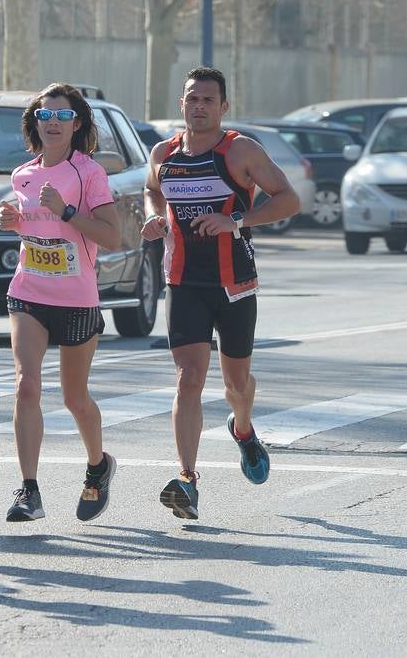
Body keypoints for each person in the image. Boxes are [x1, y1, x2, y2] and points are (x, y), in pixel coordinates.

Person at [143, 66, 301, 520]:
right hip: (183, 281)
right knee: (188, 378)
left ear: (223, 107)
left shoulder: (240, 151)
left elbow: (288, 199)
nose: (199, 106)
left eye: (208, 100)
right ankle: (187, 480)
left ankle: (244, 430)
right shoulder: (163, 152)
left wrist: (236, 222)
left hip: (234, 285)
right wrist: (158, 219)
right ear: (182, 103)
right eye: (192, 98)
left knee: (236, 385)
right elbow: (154, 190)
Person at [0, 83, 122, 523]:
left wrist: (69, 211)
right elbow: (36, 229)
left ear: (77, 124)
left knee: (75, 398)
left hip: (76, 299)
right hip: (28, 292)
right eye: (44, 115)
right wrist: (13, 221)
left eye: (62, 116)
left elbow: (110, 236)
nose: (52, 122)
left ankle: (98, 465)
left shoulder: (89, 173)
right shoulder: (23, 175)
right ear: (34, 122)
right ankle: (29, 490)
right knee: (27, 385)